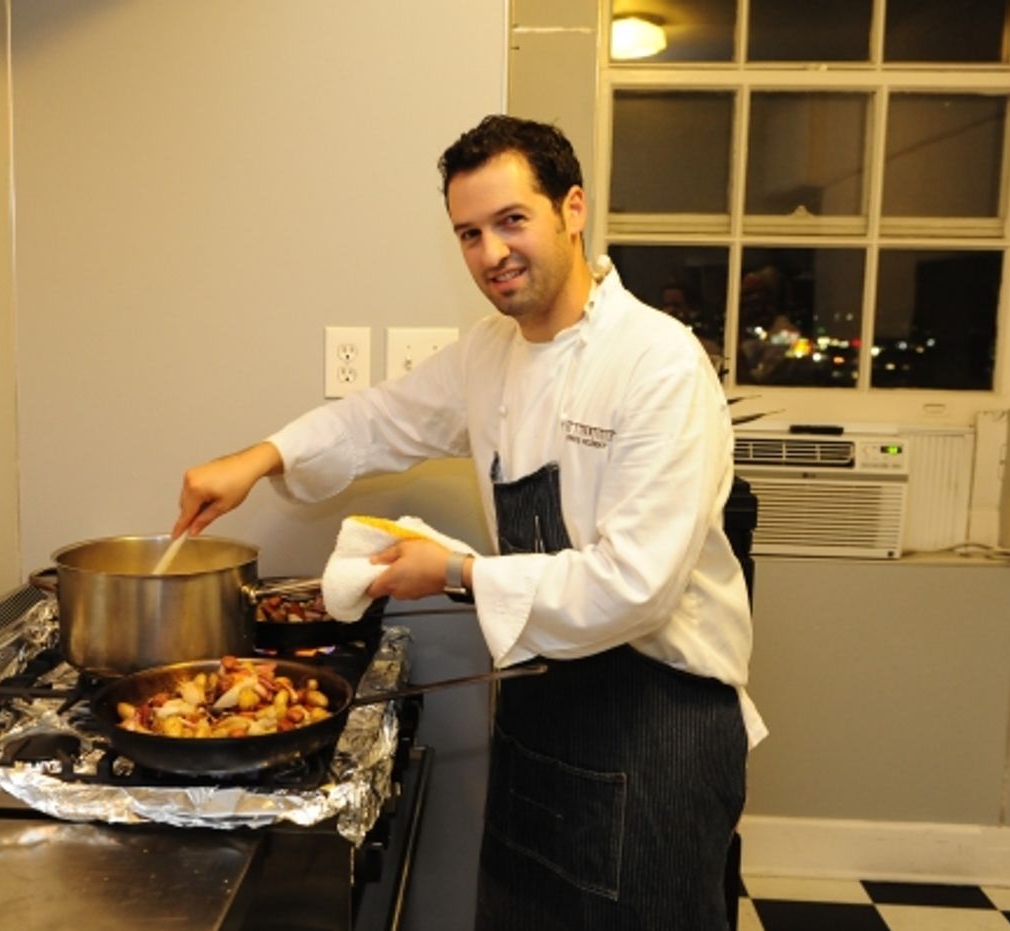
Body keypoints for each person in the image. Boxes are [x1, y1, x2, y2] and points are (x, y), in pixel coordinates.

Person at [172, 115, 765, 930]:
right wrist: (259, 458)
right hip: (537, 710)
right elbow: (378, 419)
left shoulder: (656, 363)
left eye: (511, 221)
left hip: (655, 718)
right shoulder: (491, 356)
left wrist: (454, 571)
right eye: (469, 234)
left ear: (573, 209)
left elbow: (637, 586)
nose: (492, 253)